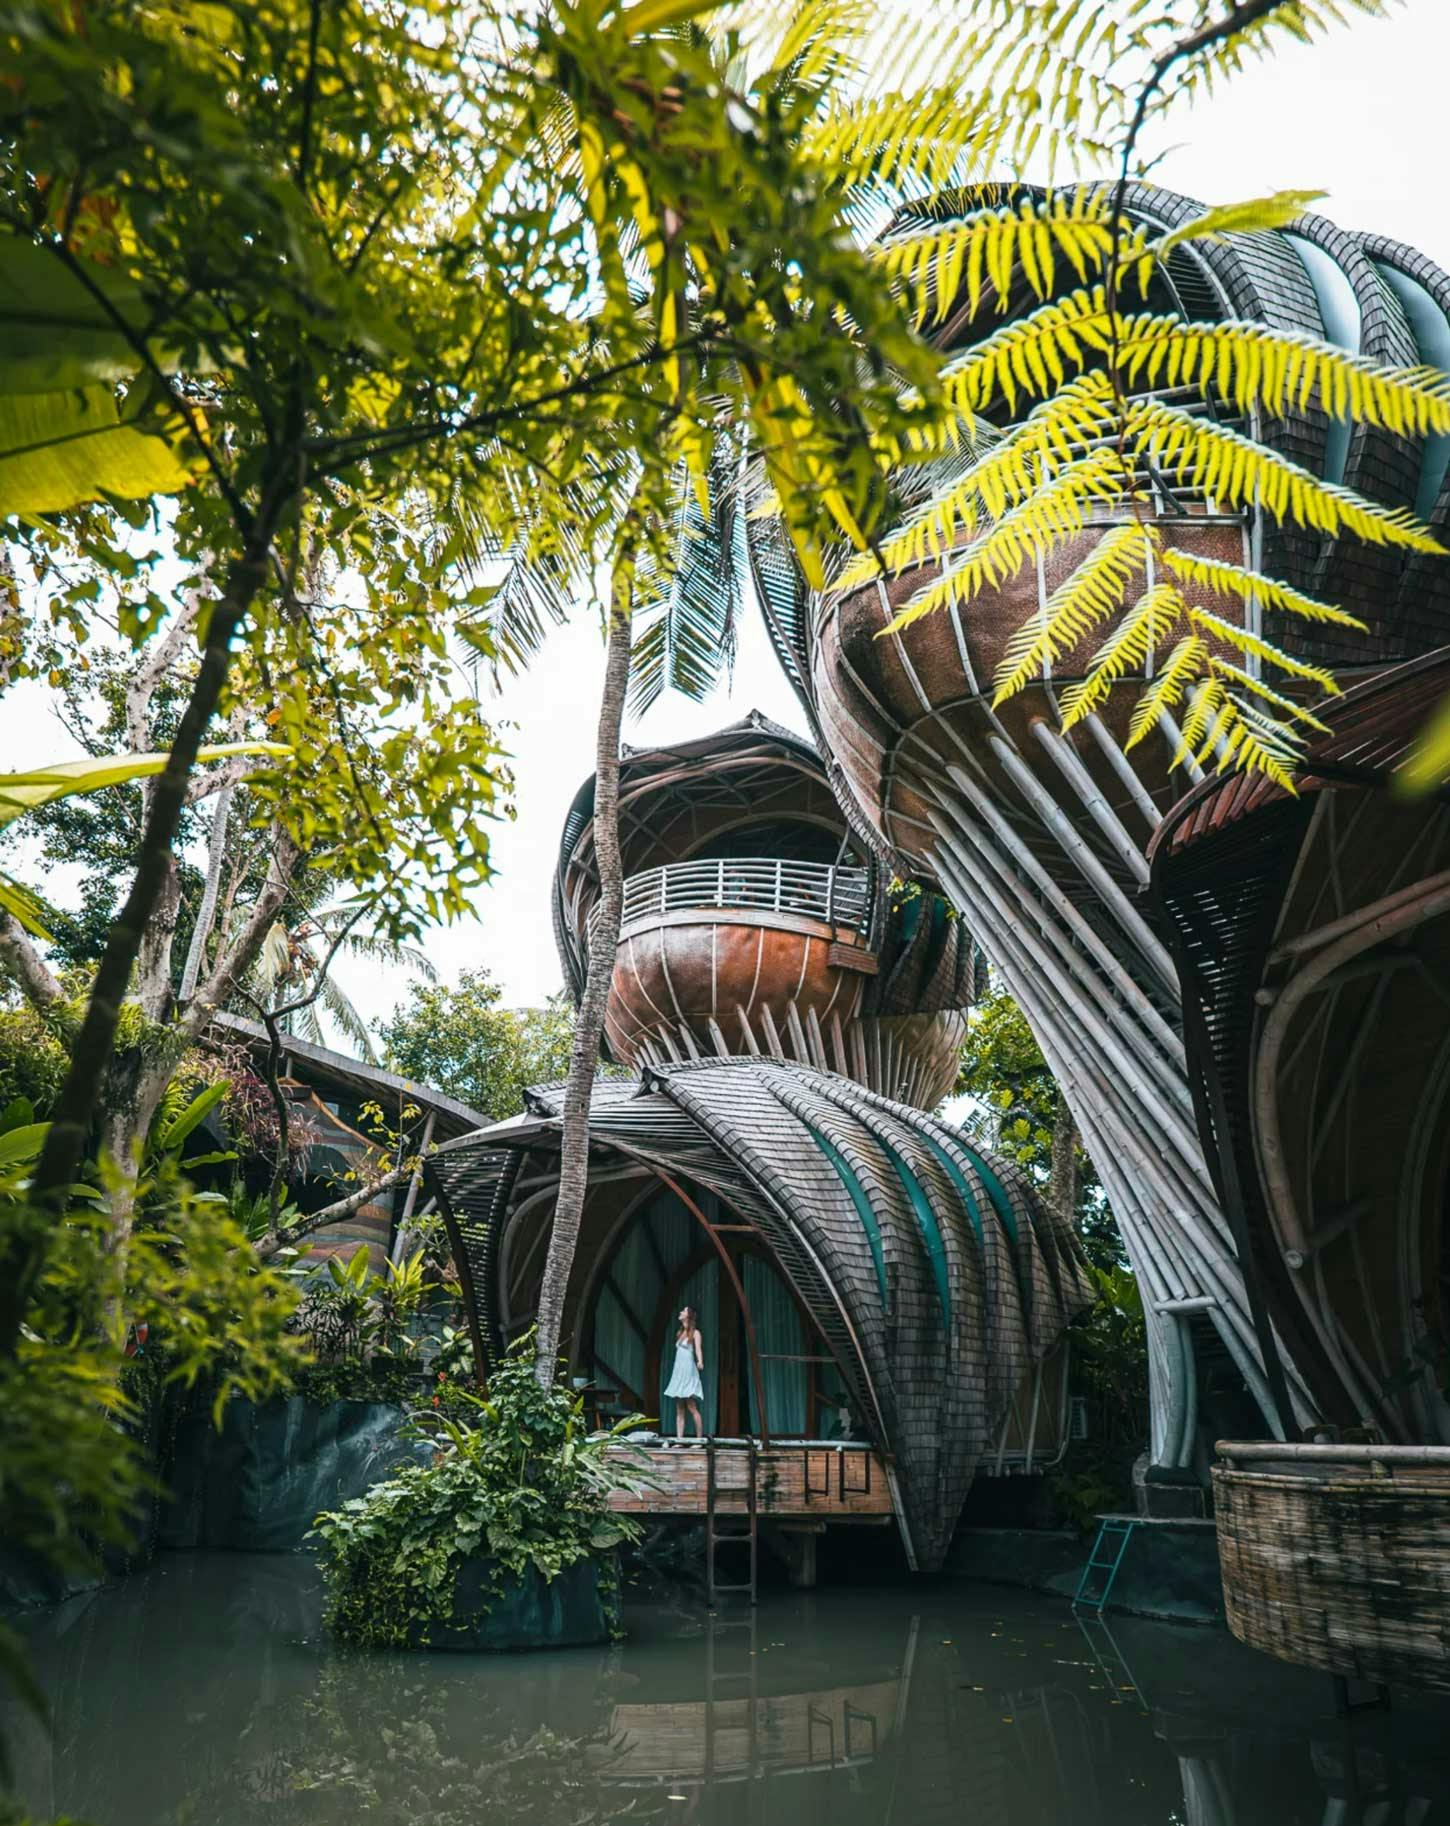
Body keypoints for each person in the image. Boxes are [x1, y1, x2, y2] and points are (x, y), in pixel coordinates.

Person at [663, 1304, 705, 1444]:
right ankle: (679, 1440)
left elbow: (698, 1349)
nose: (680, 1312)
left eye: (684, 1311)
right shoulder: (680, 1332)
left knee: (691, 1406)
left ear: (689, 1315)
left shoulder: (695, 1333)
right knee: (679, 1408)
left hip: (688, 1370)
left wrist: (700, 1361)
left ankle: (699, 1441)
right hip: (679, 1371)